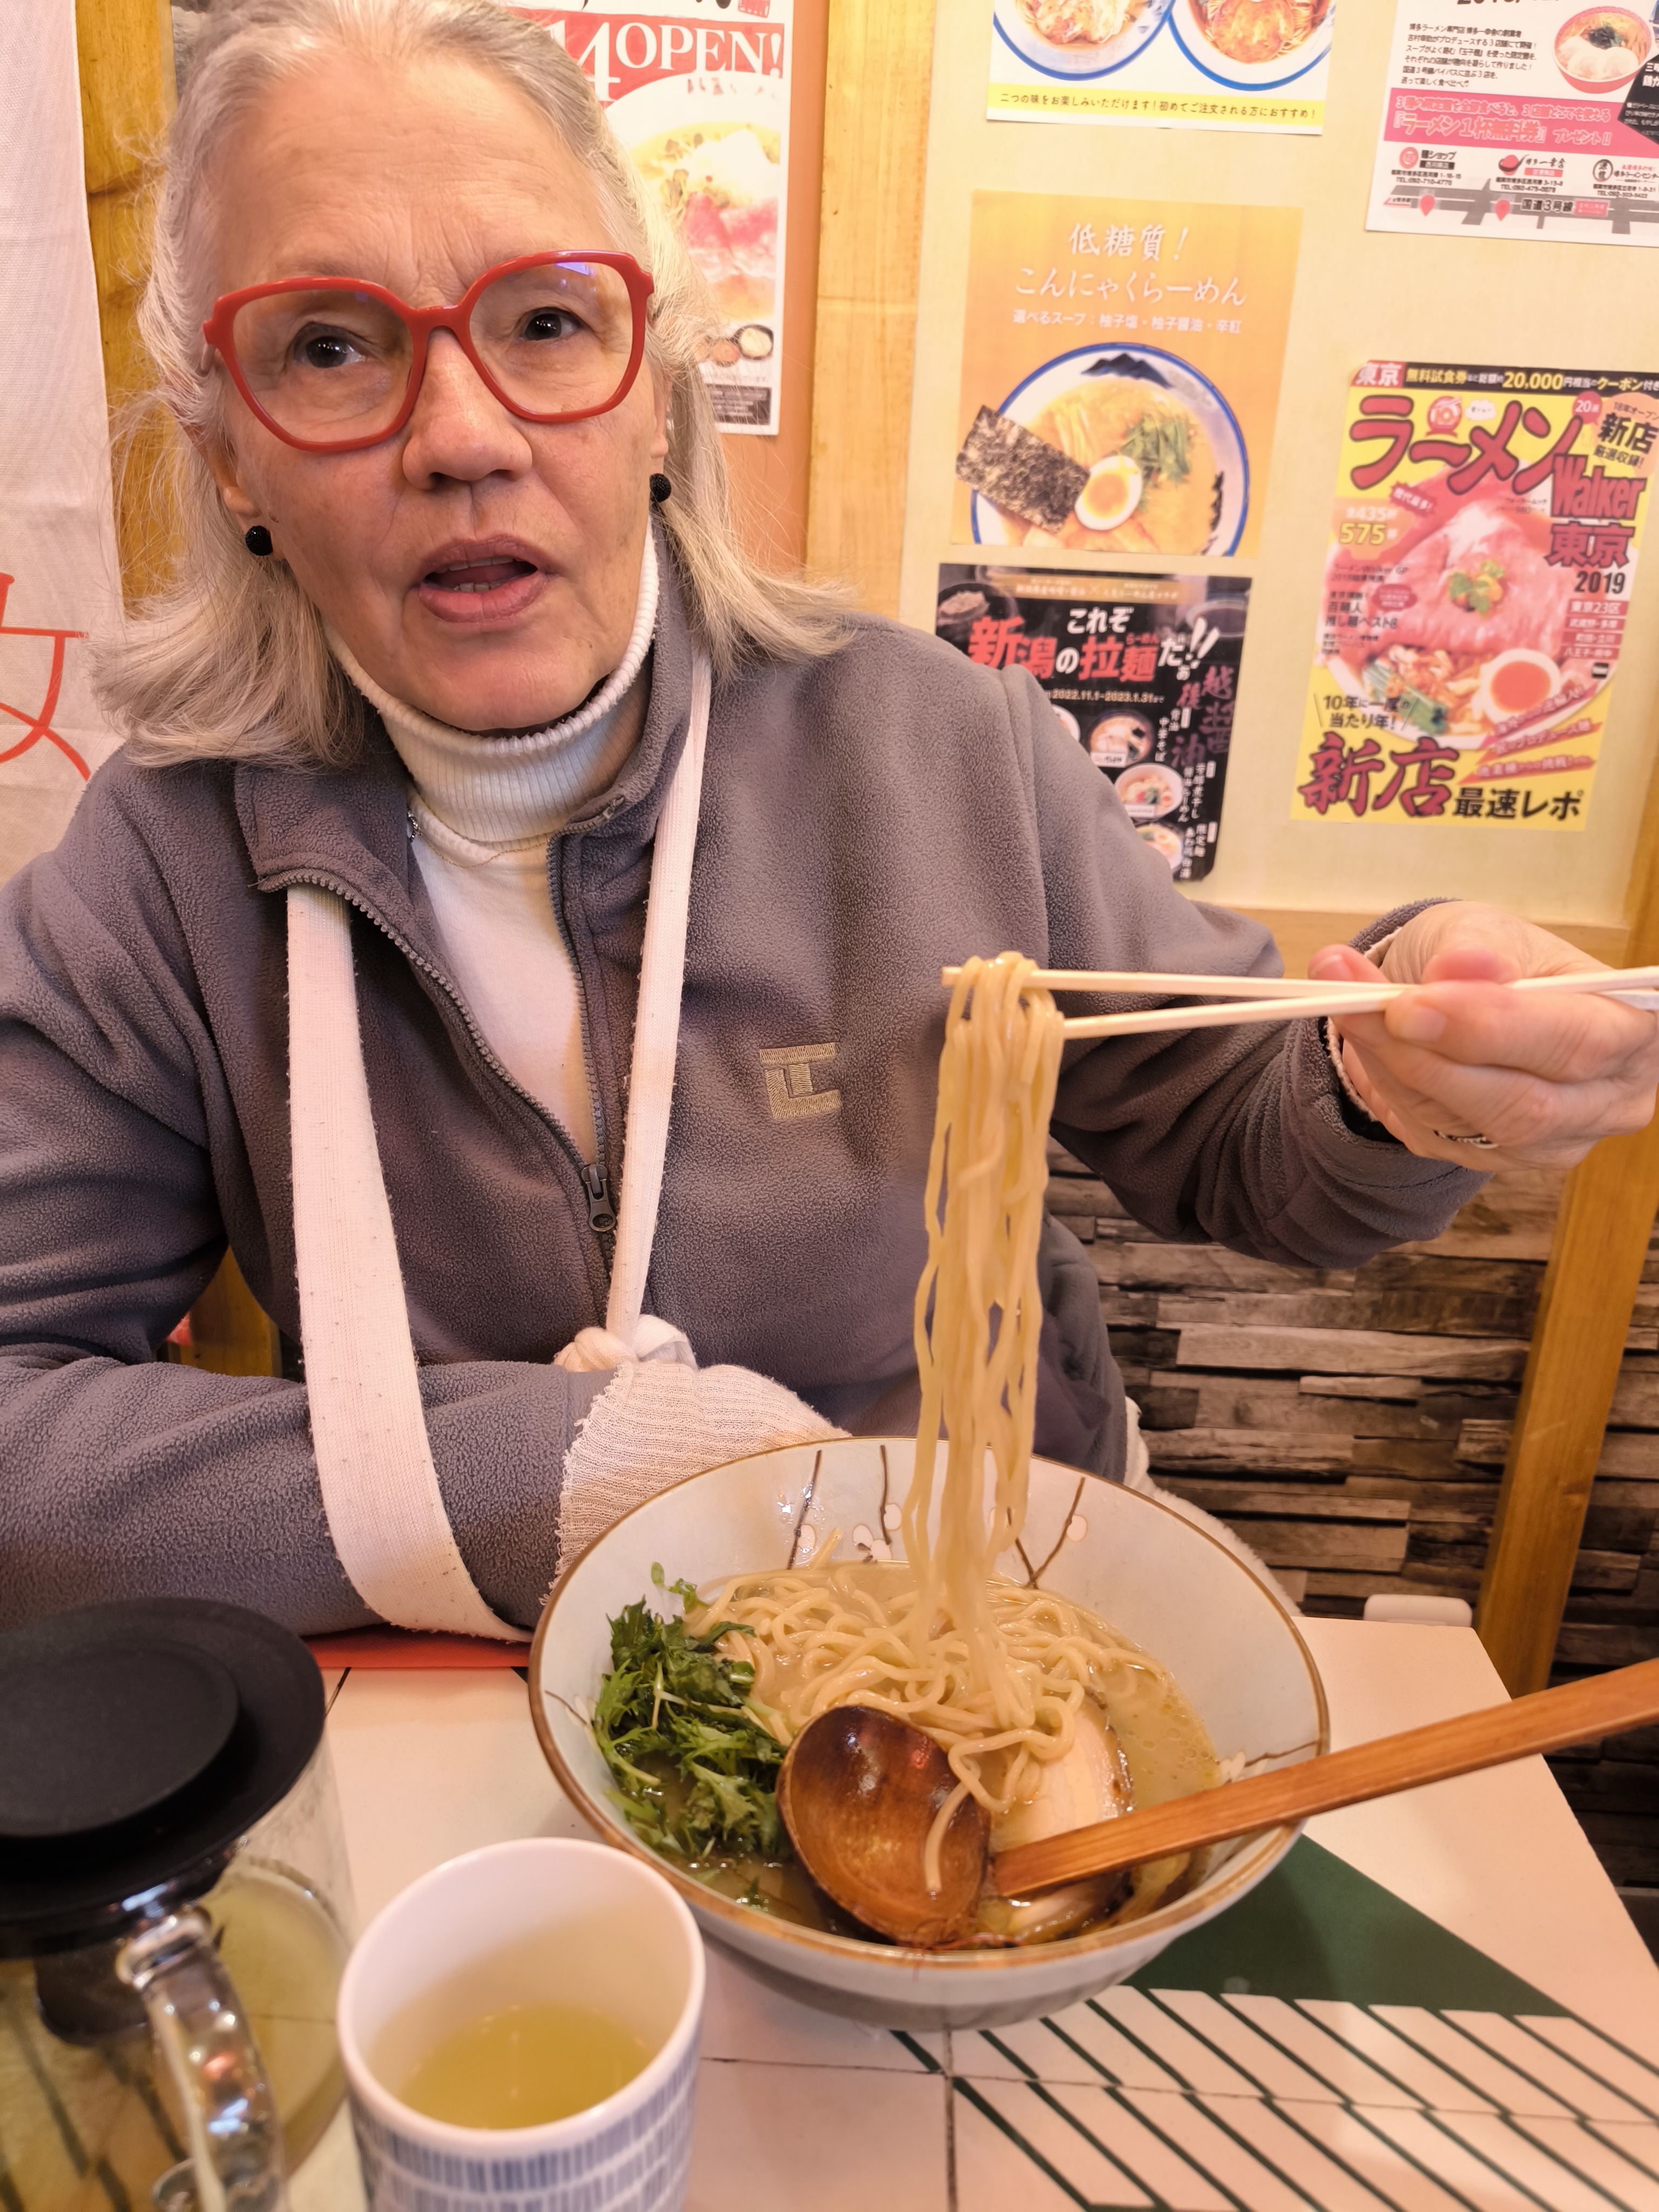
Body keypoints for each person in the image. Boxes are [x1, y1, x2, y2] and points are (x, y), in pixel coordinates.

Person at [2, 0, 1654, 1639]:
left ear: (657, 392)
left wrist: (1401, 1075)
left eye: (547, 322)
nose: (462, 437)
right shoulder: (165, 869)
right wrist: (562, 1473)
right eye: (329, 347)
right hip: (495, 1664)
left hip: (986, 1617)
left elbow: (1247, 1142)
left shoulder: (935, 748)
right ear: (230, 456)